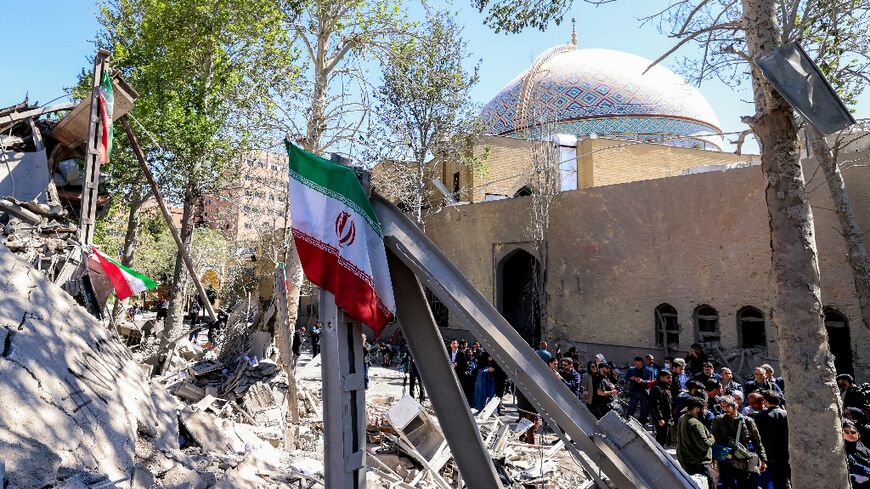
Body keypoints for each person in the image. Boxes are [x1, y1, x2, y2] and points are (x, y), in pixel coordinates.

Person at [711, 394, 767, 489]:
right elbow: (713, 440)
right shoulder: (718, 421)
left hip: (742, 458)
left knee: (745, 484)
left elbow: (757, 441)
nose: (725, 409)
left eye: (727, 406)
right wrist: (712, 460)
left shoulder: (748, 421)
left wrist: (763, 459)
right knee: (728, 485)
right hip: (725, 459)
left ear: (735, 406)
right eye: (722, 407)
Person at [676, 396, 716, 489]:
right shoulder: (695, 424)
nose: (705, 411)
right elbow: (705, 445)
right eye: (704, 408)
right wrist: (712, 439)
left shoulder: (682, 417)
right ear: (697, 409)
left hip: (685, 459)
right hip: (697, 462)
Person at [753, 390, 790, 489]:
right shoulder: (787, 414)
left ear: (765, 401)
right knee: (784, 482)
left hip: (769, 456)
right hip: (786, 455)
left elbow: (757, 438)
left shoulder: (761, 416)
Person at [648, 370, 674, 446]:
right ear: (661, 378)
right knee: (661, 438)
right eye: (668, 378)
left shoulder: (666, 388)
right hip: (662, 418)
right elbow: (655, 405)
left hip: (667, 417)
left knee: (666, 438)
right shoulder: (657, 388)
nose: (670, 380)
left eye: (671, 378)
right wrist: (660, 418)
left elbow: (669, 404)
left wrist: (671, 418)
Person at [844, 419, 870, 488]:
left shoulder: (861, 445)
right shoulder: (845, 450)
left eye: (853, 432)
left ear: (858, 434)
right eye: (846, 432)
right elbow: (854, 466)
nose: (850, 434)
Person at [626, 357, 652, 424]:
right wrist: (631, 378)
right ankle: (628, 421)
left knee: (644, 409)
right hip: (634, 392)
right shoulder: (631, 369)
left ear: (642, 363)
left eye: (639, 364)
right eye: (636, 364)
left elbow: (650, 381)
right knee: (631, 408)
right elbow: (626, 377)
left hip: (643, 392)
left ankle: (642, 423)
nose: (637, 366)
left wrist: (642, 381)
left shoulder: (648, 371)